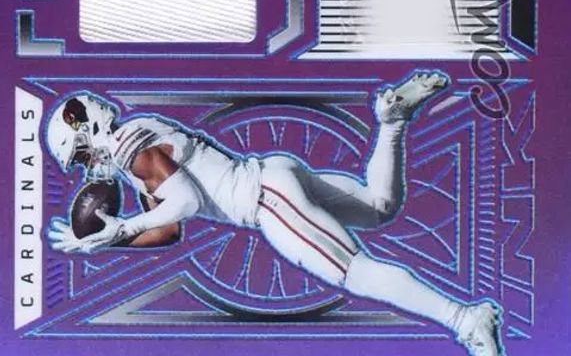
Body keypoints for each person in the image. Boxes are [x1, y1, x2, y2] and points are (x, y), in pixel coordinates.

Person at [46, 72, 503, 356]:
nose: (87, 165)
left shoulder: (128, 151)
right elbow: (169, 230)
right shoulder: (136, 137)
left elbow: (184, 202)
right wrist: (107, 240)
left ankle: (466, 319)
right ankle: (392, 121)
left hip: (266, 201)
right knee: (379, 206)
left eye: (81, 153)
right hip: (273, 173)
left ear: (87, 127)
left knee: (357, 273)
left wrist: (123, 226)